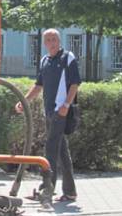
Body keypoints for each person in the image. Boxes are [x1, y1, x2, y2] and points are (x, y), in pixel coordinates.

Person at [15, 29, 81, 202]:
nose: (51, 42)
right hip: (49, 111)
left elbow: (75, 84)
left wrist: (66, 105)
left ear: (59, 41)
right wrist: (24, 101)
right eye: (48, 40)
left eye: (54, 39)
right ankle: (70, 192)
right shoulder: (45, 60)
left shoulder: (68, 58)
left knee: (50, 149)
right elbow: (38, 86)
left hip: (61, 111)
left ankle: (47, 190)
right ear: (44, 43)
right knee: (61, 152)